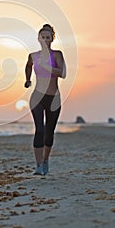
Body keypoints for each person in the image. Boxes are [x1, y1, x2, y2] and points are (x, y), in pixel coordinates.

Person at [24, 24, 66, 175]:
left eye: (48, 37)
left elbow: (63, 73)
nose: (45, 40)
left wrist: (47, 67)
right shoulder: (33, 56)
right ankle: (39, 165)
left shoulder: (57, 55)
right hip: (37, 97)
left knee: (49, 132)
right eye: (42, 37)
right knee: (39, 130)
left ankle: (46, 160)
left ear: (52, 39)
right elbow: (28, 66)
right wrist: (27, 80)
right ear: (38, 38)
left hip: (53, 98)